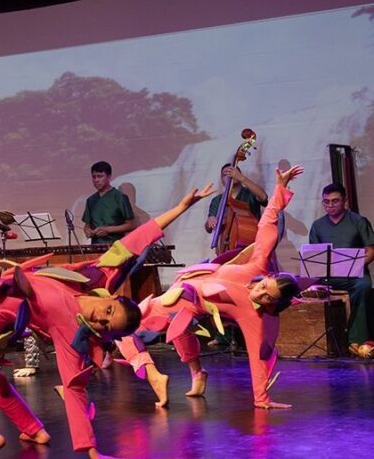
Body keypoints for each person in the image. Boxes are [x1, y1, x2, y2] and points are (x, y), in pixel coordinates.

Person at [0, 182, 214, 459]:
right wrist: (181, 207)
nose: (99, 319)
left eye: (105, 327)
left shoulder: (70, 330)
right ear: (112, 299)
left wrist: (91, 450)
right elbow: (135, 241)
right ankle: (33, 429)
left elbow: (74, 390)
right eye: (107, 312)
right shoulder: (94, 278)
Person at [117, 165, 304, 408]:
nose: (260, 293)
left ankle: (155, 377)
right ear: (266, 278)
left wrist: (261, 398)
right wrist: (280, 188)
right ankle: (198, 374)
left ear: (274, 304)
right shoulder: (256, 267)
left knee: (124, 327)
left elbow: (258, 358)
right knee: (179, 330)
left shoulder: (253, 316)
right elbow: (267, 226)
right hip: (185, 284)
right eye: (264, 286)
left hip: (183, 300)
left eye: (268, 297)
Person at [309, 182, 374, 347]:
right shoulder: (318, 225)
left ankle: (357, 340)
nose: (330, 205)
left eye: (335, 201)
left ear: (345, 201)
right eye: (326, 202)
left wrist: (354, 266)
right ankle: (322, 342)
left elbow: (370, 251)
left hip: (354, 275)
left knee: (364, 286)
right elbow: (314, 256)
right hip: (328, 276)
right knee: (306, 288)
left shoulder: (358, 221)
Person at [81, 161, 136, 245]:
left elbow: (131, 225)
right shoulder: (90, 200)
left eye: (100, 176)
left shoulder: (119, 197)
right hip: (96, 247)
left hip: (116, 246)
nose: (96, 180)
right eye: (94, 177)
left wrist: (108, 229)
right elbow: (87, 225)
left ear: (109, 177)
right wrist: (88, 231)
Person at [205, 163, 268, 234]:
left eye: (232, 172)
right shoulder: (217, 200)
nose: (229, 175)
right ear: (222, 181)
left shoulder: (251, 192)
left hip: (251, 236)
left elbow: (263, 197)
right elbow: (209, 228)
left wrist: (242, 178)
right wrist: (210, 221)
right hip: (226, 240)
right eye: (225, 174)